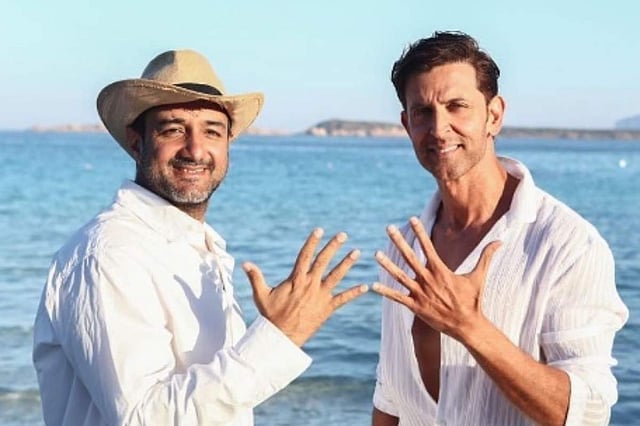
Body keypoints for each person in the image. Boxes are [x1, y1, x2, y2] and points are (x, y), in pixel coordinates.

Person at [32, 49, 368, 425]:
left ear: (227, 145)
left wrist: (270, 335)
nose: (195, 150)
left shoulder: (197, 245)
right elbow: (144, 417)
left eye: (212, 131)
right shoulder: (110, 253)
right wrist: (279, 336)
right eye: (173, 129)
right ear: (137, 143)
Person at [371, 31, 628, 426]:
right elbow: (390, 397)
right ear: (407, 125)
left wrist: (470, 327)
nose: (439, 128)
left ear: (494, 115)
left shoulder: (568, 245)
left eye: (457, 106)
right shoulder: (405, 247)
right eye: (422, 111)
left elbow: (587, 413)